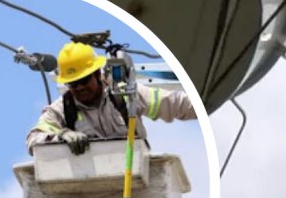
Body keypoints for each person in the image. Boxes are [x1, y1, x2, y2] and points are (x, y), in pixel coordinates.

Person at [26, 41, 197, 155]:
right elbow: (34, 140)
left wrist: (207, 102)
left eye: (83, 80)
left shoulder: (126, 95)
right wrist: (61, 136)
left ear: (97, 74)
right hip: (90, 188)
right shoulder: (62, 109)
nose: (79, 88)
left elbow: (176, 104)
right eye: (72, 84)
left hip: (133, 179)